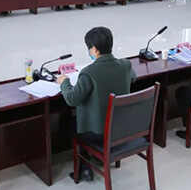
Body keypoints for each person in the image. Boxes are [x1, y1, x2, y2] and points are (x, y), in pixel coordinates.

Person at [56, 27, 135, 182]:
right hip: (121, 128)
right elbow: (133, 78)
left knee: (67, 122)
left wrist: (64, 82)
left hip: (99, 134)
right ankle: (96, 157)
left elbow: (72, 99)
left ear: (94, 50)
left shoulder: (89, 72)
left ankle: (84, 167)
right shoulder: (126, 65)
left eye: (89, 48)